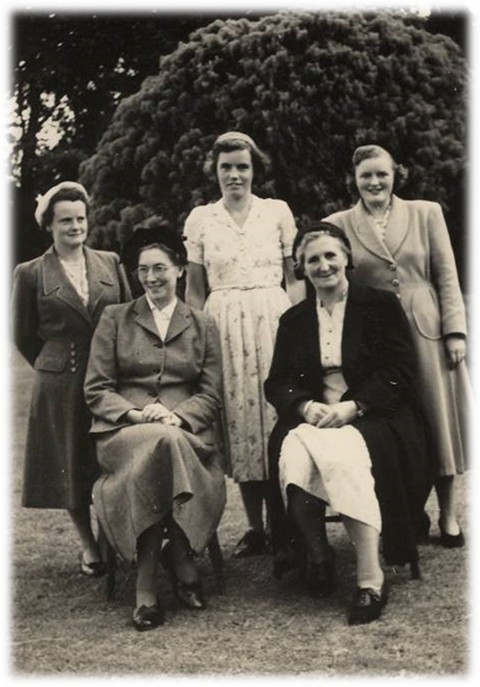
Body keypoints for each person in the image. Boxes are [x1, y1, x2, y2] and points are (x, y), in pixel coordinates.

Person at [264, 224, 432, 625]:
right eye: (313, 260)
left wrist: (354, 406)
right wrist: (304, 406)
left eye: (330, 256)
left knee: (345, 460)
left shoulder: (379, 305)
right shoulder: (294, 320)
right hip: (315, 417)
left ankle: (370, 575)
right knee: (294, 456)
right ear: (301, 268)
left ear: (346, 259)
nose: (323, 266)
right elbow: (278, 381)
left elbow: (399, 370)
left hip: (373, 414)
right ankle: (318, 554)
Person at [323, 144, 472, 547]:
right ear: (353, 180)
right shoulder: (337, 222)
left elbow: (446, 275)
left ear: (395, 175)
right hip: (376, 339)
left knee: (437, 420)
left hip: (425, 330)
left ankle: (448, 514)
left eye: (381, 174)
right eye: (366, 175)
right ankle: (406, 512)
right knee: (392, 422)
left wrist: (455, 331)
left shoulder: (426, 213)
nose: (374, 182)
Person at [84, 226, 226, 631]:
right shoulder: (115, 319)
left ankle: (148, 584)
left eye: (160, 268)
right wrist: (137, 414)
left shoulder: (202, 324)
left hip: (186, 434)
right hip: (124, 434)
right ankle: (178, 560)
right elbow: (96, 390)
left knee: (166, 443)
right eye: (143, 270)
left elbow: (211, 394)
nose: (151, 278)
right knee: (160, 442)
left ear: (180, 269)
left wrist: (178, 417)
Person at [184, 131, 305, 557]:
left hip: (273, 321)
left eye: (242, 167)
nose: (234, 175)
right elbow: (195, 291)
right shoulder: (201, 219)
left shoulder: (277, 212)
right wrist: (195, 338)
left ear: (254, 170)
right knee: (239, 426)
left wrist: (300, 328)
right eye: (226, 168)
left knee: (277, 418)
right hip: (223, 328)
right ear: (214, 172)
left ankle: (288, 522)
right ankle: (255, 527)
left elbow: (293, 278)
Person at [11, 181, 131, 576]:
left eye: (80, 218)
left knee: (112, 455)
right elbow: (23, 335)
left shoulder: (110, 262)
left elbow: (128, 317)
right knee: (71, 461)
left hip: (110, 376)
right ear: (50, 225)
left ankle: (114, 534)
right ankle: (88, 543)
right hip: (60, 381)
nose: (75, 227)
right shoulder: (30, 273)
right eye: (65, 221)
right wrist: (54, 363)